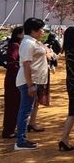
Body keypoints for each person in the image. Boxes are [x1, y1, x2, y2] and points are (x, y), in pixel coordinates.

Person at [14, 17, 49, 150]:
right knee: (25, 110)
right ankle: (20, 141)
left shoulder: (33, 42)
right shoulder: (28, 43)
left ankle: (22, 138)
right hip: (28, 81)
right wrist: (30, 85)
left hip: (34, 81)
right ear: (33, 30)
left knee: (27, 109)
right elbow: (27, 65)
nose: (43, 32)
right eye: (41, 30)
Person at [2, 26, 24, 139]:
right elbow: (12, 62)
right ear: (19, 35)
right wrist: (21, 70)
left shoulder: (18, 45)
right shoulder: (15, 46)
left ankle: (10, 129)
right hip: (13, 80)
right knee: (12, 106)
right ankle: (8, 130)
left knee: (15, 105)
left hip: (15, 79)